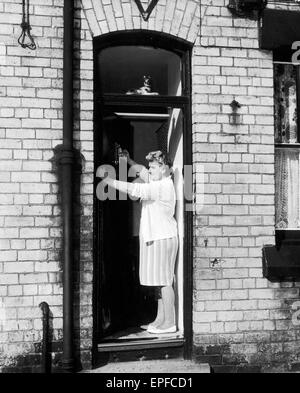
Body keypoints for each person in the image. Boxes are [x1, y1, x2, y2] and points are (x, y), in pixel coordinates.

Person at [101, 150, 179, 334]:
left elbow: (136, 189)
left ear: (164, 168)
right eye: (150, 167)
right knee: (159, 282)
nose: (149, 170)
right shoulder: (158, 180)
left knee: (165, 281)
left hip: (162, 237)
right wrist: (128, 160)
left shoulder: (162, 186)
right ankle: (160, 320)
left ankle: (169, 322)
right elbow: (143, 172)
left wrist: (109, 181)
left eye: (153, 167)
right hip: (157, 237)